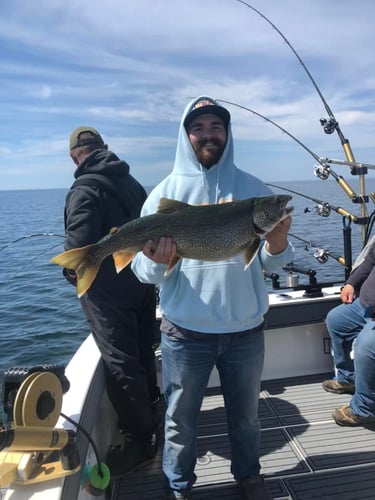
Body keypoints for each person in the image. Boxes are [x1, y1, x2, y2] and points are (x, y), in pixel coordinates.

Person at [131, 97, 294, 500]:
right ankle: (180, 485)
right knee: (179, 420)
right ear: (186, 135)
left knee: (247, 418)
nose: (208, 134)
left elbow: (273, 267)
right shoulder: (164, 194)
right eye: (198, 126)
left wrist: (278, 241)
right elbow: (141, 271)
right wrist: (157, 260)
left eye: (215, 126)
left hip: (246, 330)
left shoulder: (255, 191)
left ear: (227, 133)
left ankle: (249, 474)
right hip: (185, 333)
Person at [62, 126, 160, 478]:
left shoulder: (83, 190)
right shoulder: (132, 183)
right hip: (143, 284)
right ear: (105, 148)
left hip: (108, 294)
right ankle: (154, 411)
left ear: (75, 156)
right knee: (143, 351)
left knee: (121, 362)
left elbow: (79, 250)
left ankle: (143, 439)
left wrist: (70, 273)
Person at [322, 241, 375, 427]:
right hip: (365, 305)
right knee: (336, 320)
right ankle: (348, 378)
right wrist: (351, 284)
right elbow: (370, 261)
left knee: (366, 346)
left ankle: (364, 409)